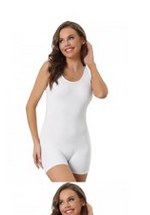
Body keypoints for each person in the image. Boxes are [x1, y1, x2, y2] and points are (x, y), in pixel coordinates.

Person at [26, 21, 108, 182]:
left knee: (77, 192)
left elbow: (102, 93)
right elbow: (30, 106)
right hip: (52, 145)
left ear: (82, 40)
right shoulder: (50, 68)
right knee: (67, 188)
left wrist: (91, 63)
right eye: (61, 40)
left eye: (71, 38)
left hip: (81, 147)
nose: (66, 44)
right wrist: (36, 142)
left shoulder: (89, 72)